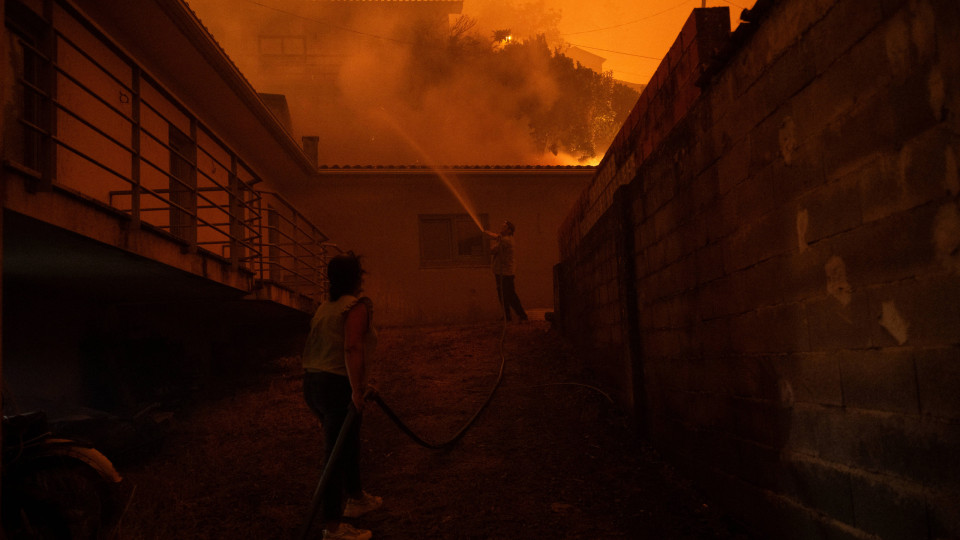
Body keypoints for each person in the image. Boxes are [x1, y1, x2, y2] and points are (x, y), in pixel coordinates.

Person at [302, 254, 382, 540]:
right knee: (334, 454)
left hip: (313, 382)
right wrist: (356, 389)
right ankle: (333, 528)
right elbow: (351, 348)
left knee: (346, 441)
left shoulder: (325, 307)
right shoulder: (355, 307)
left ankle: (357, 498)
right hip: (336, 385)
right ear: (356, 278)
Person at [484, 220, 528, 322]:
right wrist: (487, 232)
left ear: (509, 230)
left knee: (509, 295)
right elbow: (496, 236)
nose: (501, 229)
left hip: (505, 273)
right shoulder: (506, 239)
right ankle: (508, 316)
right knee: (504, 295)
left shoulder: (505, 241)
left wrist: (485, 239)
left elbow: (492, 250)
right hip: (502, 272)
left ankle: (522, 315)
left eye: (504, 227)